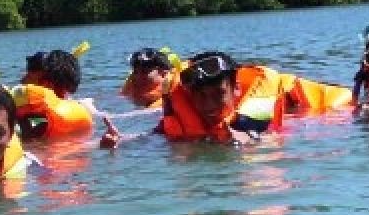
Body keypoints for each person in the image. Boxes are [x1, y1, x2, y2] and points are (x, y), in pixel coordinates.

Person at [101, 51, 282, 149]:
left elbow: (276, 140)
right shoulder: (179, 117)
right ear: (189, 94)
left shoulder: (257, 123)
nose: (209, 105)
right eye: (201, 96)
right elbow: (154, 136)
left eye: (218, 94)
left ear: (236, 89)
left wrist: (249, 140)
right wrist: (121, 141)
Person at [12, 49, 94, 140]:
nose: (22, 81)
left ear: (47, 84)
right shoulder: (82, 111)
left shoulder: (41, 121)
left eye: (29, 77)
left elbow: (13, 131)